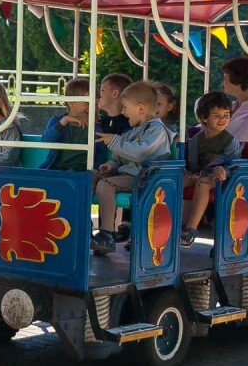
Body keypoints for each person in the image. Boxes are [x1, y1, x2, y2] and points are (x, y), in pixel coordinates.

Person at [91, 82, 170, 254]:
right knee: (89, 177)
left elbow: (140, 153)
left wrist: (114, 141)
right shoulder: (133, 131)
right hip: (127, 174)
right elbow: (119, 158)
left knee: (106, 185)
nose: (124, 112)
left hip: (145, 177)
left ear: (141, 108)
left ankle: (107, 234)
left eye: (126, 107)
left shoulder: (156, 130)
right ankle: (83, 224)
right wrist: (110, 165)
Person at [181, 91, 242, 246]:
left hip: (221, 179)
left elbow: (234, 165)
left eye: (226, 115)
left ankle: (191, 229)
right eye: (217, 115)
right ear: (204, 117)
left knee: (203, 183)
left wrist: (223, 170)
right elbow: (192, 164)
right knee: (178, 181)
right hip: (199, 174)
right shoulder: (195, 140)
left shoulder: (230, 141)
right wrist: (191, 173)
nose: (222, 119)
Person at [41, 77, 91, 172]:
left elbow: (99, 153)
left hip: (81, 171)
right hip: (55, 169)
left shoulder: (93, 126)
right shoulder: (57, 121)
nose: (91, 105)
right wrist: (64, 122)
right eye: (87, 102)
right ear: (71, 103)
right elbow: (45, 141)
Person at [96, 73, 132, 138]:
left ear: (115, 93)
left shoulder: (130, 124)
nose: (98, 95)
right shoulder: (100, 122)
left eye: (102, 90)